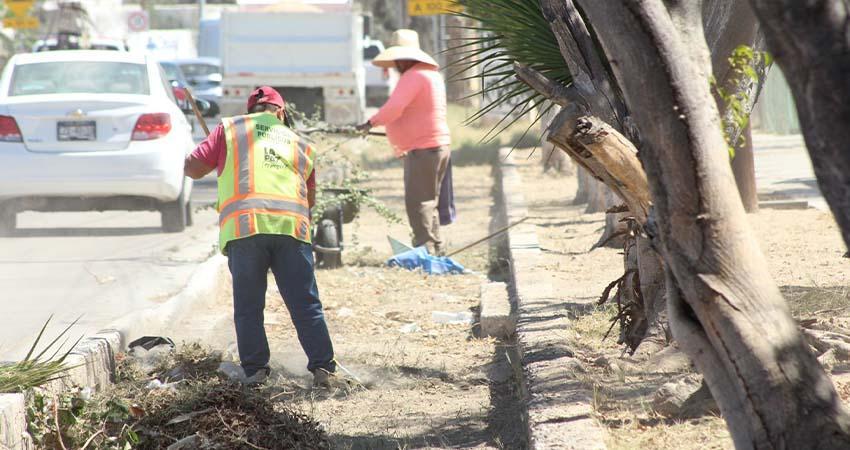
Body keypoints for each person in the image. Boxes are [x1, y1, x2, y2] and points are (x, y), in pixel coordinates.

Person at [184, 86, 337, 387]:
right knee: (305, 304)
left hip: (246, 230)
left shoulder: (230, 129)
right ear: (280, 112)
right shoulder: (301, 143)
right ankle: (324, 369)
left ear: (251, 110)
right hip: (291, 230)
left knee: (249, 306)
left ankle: (255, 372)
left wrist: (219, 163)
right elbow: (310, 198)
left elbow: (192, 168)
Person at [357, 29, 453, 255]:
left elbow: (394, 109)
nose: (396, 65)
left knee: (418, 202)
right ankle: (435, 246)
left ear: (406, 59)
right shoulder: (431, 75)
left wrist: (370, 123)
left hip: (423, 148)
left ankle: (425, 249)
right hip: (437, 146)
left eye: (398, 60)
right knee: (430, 200)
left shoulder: (414, 76)